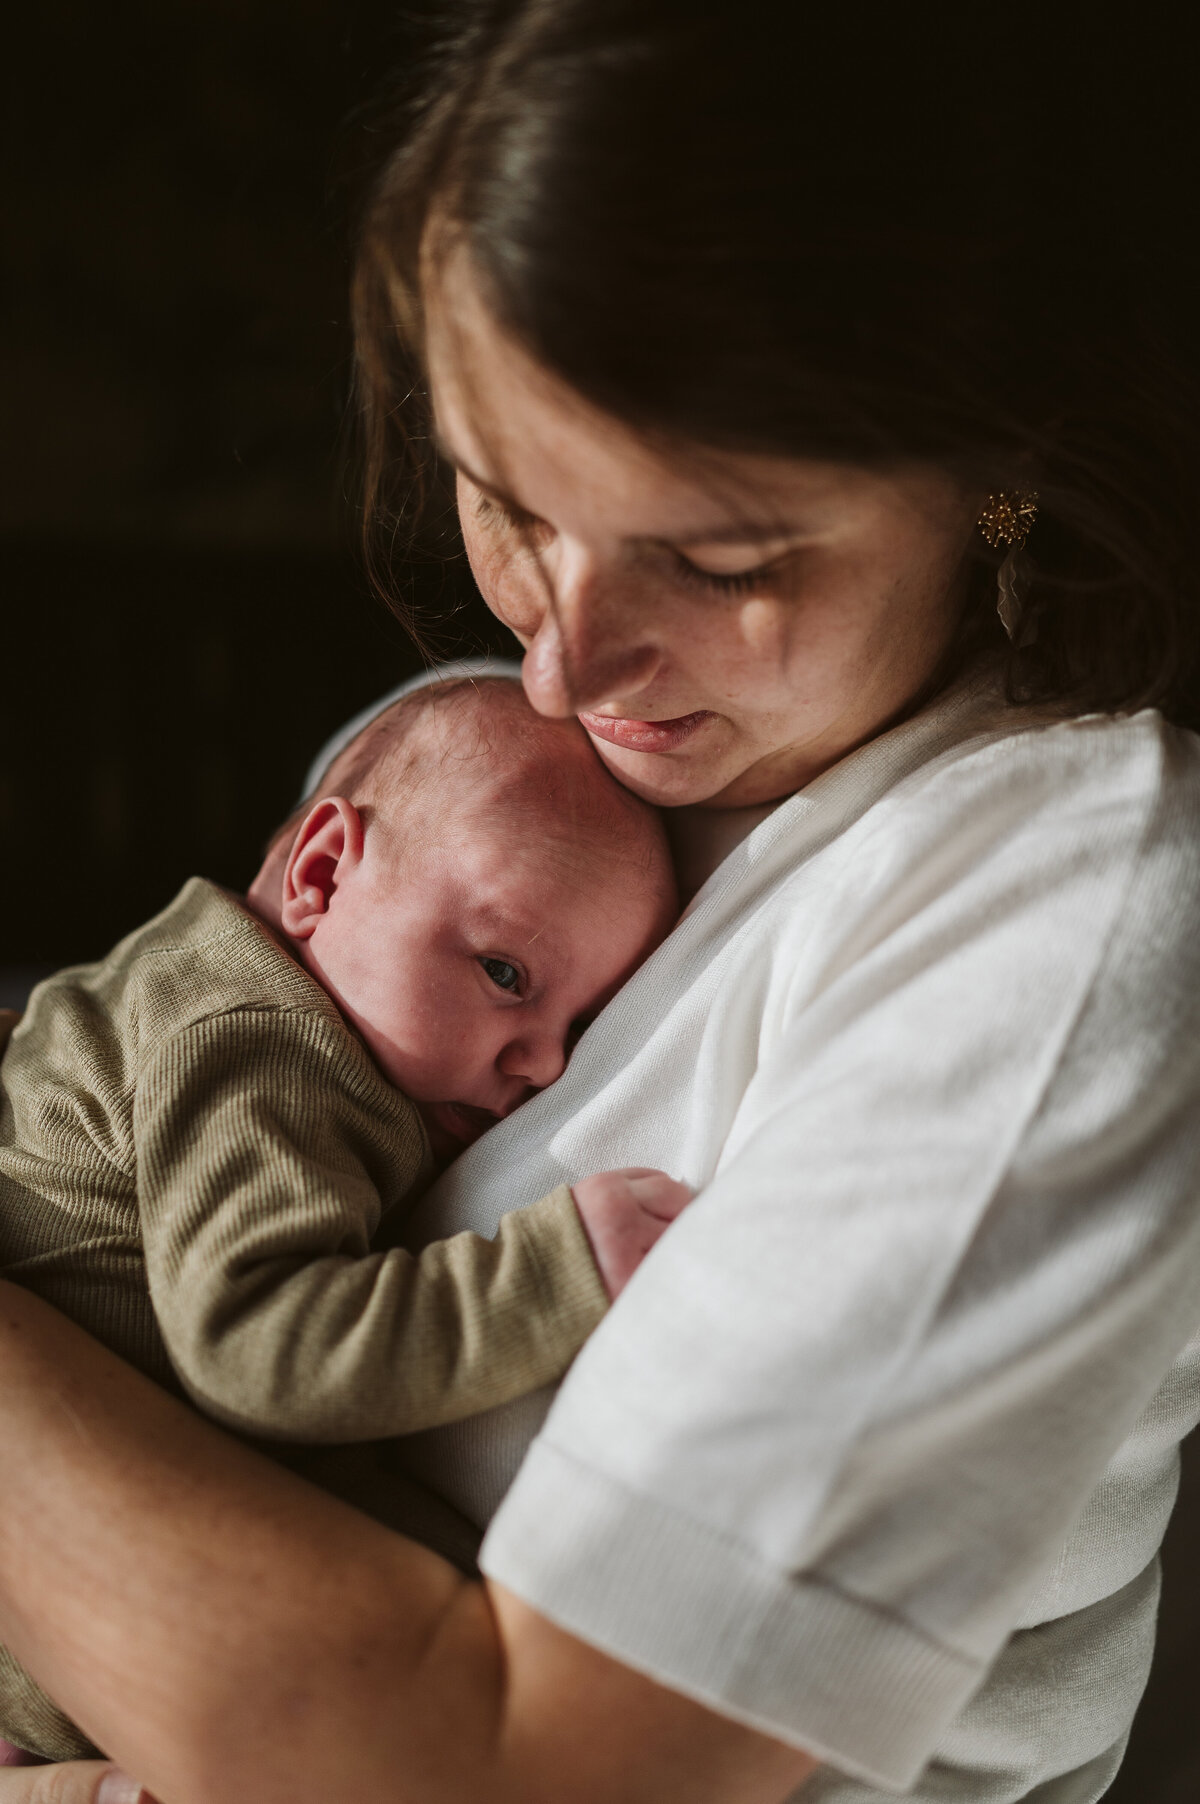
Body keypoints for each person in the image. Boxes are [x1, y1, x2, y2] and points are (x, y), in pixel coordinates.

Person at [1, 3, 1199, 1800]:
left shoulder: (1064, 918)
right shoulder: (560, 761)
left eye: (714, 564)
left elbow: (513, 1777)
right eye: (509, 504)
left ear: (1000, 475)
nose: (563, 666)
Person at [0, 677, 682, 1763]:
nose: (547, 1064)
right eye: (505, 972)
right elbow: (261, 1346)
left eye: (583, 1024)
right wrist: (557, 1270)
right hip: (64, 1629)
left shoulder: (202, 995)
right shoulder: (264, 1044)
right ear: (320, 875)